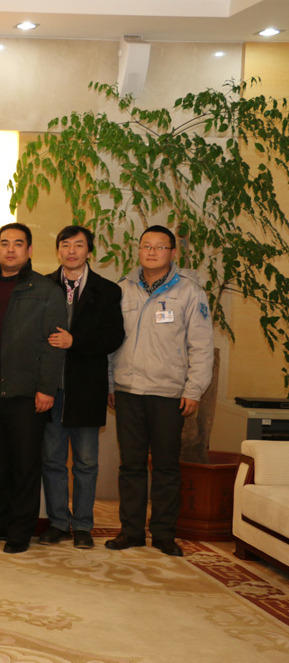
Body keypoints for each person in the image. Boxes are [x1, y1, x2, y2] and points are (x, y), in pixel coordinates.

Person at [107, 225, 213, 557]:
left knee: (166, 466)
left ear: (172, 252)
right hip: (128, 390)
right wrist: (110, 383)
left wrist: (194, 390)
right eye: (146, 246)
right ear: (138, 250)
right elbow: (110, 342)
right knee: (131, 465)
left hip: (169, 393)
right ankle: (131, 531)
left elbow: (202, 346)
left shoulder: (189, 292)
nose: (152, 252)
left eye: (159, 247)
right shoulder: (121, 289)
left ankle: (164, 533)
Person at [0, 222, 67, 554]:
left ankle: (20, 530)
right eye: (4, 243)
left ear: (29, 250)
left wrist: (47, 388)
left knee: (24, 465)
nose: (10, 249)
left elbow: (53, 345)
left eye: (18, 243)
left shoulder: (46, 290)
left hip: (27, 393)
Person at [38, 226, 124, 549]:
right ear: (58, 250)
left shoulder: (107, 290)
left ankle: (84, 526)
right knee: (52, 460)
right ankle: (58, 523)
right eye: (65, 245)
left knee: (86, 463)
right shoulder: (43, 286)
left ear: (89, 251)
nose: (71, 251)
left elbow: (113, 337)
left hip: (87, 389)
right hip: (51, 389)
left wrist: (75, 341)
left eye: (79, 245)